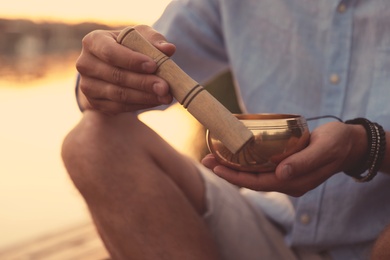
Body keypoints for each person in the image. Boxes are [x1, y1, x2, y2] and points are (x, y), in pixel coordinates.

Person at [61, 1, 390, 259]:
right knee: (92, 141)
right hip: (271, 225)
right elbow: (115, 81)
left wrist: (367, 147)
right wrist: (104, 75)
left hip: (378, 235)